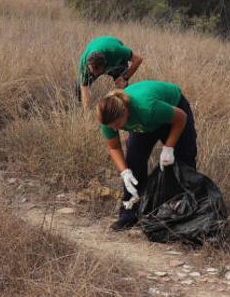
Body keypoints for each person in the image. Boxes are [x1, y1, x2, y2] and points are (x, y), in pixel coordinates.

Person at [96, 80, 198, 231]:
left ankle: (186, 214)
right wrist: (124, 172)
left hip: (173, 113)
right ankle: (129, 216)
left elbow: (181, 117)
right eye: (111, 127)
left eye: (117, 125)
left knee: (184, 159)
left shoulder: (147, 109)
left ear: (125, 112)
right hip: (144, 124)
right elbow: (114, 146)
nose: (115, 129)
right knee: (133, 163)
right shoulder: (108, 118)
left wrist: (169, 147)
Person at [77, 36, 143, 109]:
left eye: (97, 72)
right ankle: (80, 108)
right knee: (79, 89)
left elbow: (138, 59)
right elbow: (84, 88)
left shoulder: (116, 51)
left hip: (115, 58)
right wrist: (87, 112)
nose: (94, 75)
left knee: (122, 85)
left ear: (104, 66)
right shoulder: (84, 64)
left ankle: (125, 109)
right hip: (96, 52)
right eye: (92, 72)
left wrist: (125, 77)